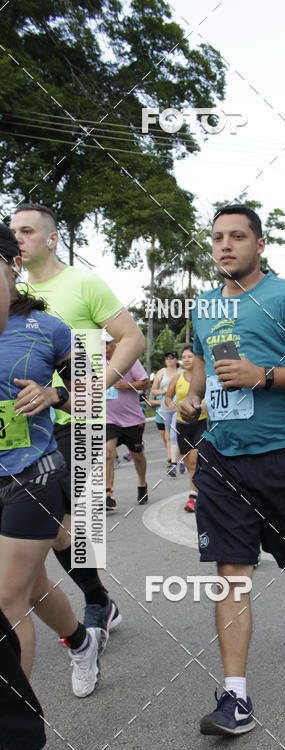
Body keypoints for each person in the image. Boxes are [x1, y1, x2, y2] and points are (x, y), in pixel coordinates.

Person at [0, 268, 171, 750]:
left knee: (13, 590)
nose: (21, 234)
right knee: (40, 572)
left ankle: (22, 748)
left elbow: (113, 356)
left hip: (44, 458)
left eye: (24, 230)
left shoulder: (55, 311)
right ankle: (82, 638)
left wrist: (62, 394)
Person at [179, 203, 285, 737]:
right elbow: (201, 362)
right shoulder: (202, 305)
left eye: (238, 236)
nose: (225, 245)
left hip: (284, 453)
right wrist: (193, 398)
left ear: (260, 244)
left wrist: (262, 375)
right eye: (218, 237)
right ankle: (236, 698)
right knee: (231, 573)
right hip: (222, 458)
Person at [10, 203, 144, 634]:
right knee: (52, 528)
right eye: (12, 231)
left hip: (75, 421)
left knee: (64, 527)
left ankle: (91, 604)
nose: (17, 239)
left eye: (27, 231)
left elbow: (132, 337)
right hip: (23, 430)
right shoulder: (11, 290)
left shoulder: (81, 283)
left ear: (51, 239)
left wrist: (92, 386)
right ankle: (96, 600)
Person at [0, 225, 104, 697]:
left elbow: (89, 389)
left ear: (12, 266)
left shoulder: (47, 327)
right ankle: (82, 642)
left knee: (7, 599)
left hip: (32, 472)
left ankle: (18, 739)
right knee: (34, 587)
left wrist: (53, 393)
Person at [105, 337, 150, 509]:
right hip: (108, 419)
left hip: (132, 420)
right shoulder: (96, 362)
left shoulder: (128, 359)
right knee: (108, 453)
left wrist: (124, 386)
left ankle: (142, 483)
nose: (104, 347)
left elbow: (145, 382)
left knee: (137, 455)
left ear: (115, 342)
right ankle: (108, 493)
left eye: (107, 343)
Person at [165, 346, 208, 512]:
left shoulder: (202, 375)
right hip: (182, 424)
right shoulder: (177, 378)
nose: (188, 359)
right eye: (185, 357)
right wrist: (171, 404)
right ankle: (198, 491)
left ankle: (193, 497)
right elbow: (168, 397)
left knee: (196, 460)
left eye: (191, 356)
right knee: (189, 463)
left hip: (200, 422)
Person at [149, 351, 180, 475]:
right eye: (167, 358)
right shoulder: (161, 373)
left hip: (176, 409)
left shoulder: (181, 373)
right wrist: (163, 391)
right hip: (161, 410)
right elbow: (153, 391)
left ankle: (171, 461)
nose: (169, 360)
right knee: (164, 436)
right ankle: (173, 455)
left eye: (172, 358)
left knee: (170, 435)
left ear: (176, 360)